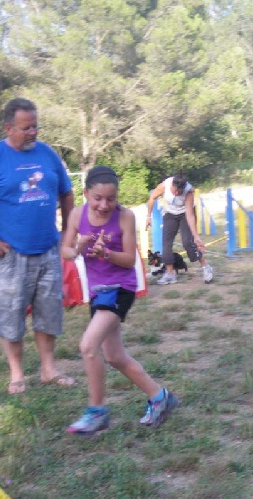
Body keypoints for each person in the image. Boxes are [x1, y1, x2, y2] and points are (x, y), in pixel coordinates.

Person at [0, 98, 76, 395]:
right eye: (26, 128)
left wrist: (66, 232)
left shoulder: (47, 155)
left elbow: (67, 193)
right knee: (11, 314)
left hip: (48, 250)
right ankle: (17, 374)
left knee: (49, 313)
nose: (33, 132)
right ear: (8, 127)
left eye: (35, 126)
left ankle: (49, 370)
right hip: (11, 255)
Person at [61, 166, 179, 435]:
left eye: (111, 199)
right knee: (114, 356)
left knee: (88, 346)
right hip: (97, 291)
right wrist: (79, 248)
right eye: (98, 198)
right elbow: (66, 251)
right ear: (86, 194)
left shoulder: (125, 217)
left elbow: (129, 259)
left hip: (120, 288)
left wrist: (107, 254)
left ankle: (96, 412)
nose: (104, 205)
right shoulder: (77, 214)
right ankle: (160, 398)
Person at [146, 174, 213, 285]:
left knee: (187, 242)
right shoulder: (164, 186)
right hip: (169, 214)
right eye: (174, 190)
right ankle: (170, 274)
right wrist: (148, 217)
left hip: (184, 214)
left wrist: (196, 236)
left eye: (179, 192)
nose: (176, 194)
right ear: (171, 185)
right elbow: (152, 198)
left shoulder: (188, 192)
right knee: (166, 243)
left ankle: (206, 267)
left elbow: (190, 216)